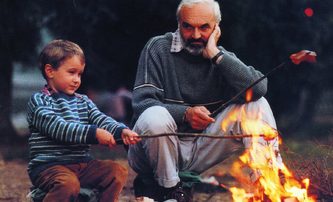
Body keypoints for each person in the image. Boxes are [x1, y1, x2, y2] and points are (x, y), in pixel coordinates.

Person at [128, 0, 283, 201]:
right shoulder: (158, 48)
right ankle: (171, 190)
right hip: (150, 150)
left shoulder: (222, 58)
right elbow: (143, 104)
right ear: (178, 23)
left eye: (204, 27)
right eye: (188, 26)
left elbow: (259, 89)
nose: (195, 35)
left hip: (198, 150)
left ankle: (269, 184)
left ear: (216, 28)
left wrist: (215, 55)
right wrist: (186, 114)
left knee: (256, 105)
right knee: (155, 115)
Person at [27, 39, 140, 202]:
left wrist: (121, 130)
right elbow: (59, 128)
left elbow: (100, 119)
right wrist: (94, 133)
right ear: (50, 71)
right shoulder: (39, 101)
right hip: (48, 167)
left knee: (116, 171)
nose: (77, 79)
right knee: (68, 184)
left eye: (79, 74)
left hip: (82, 164)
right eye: (71, 72)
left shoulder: (83, 101)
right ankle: (41, 196)